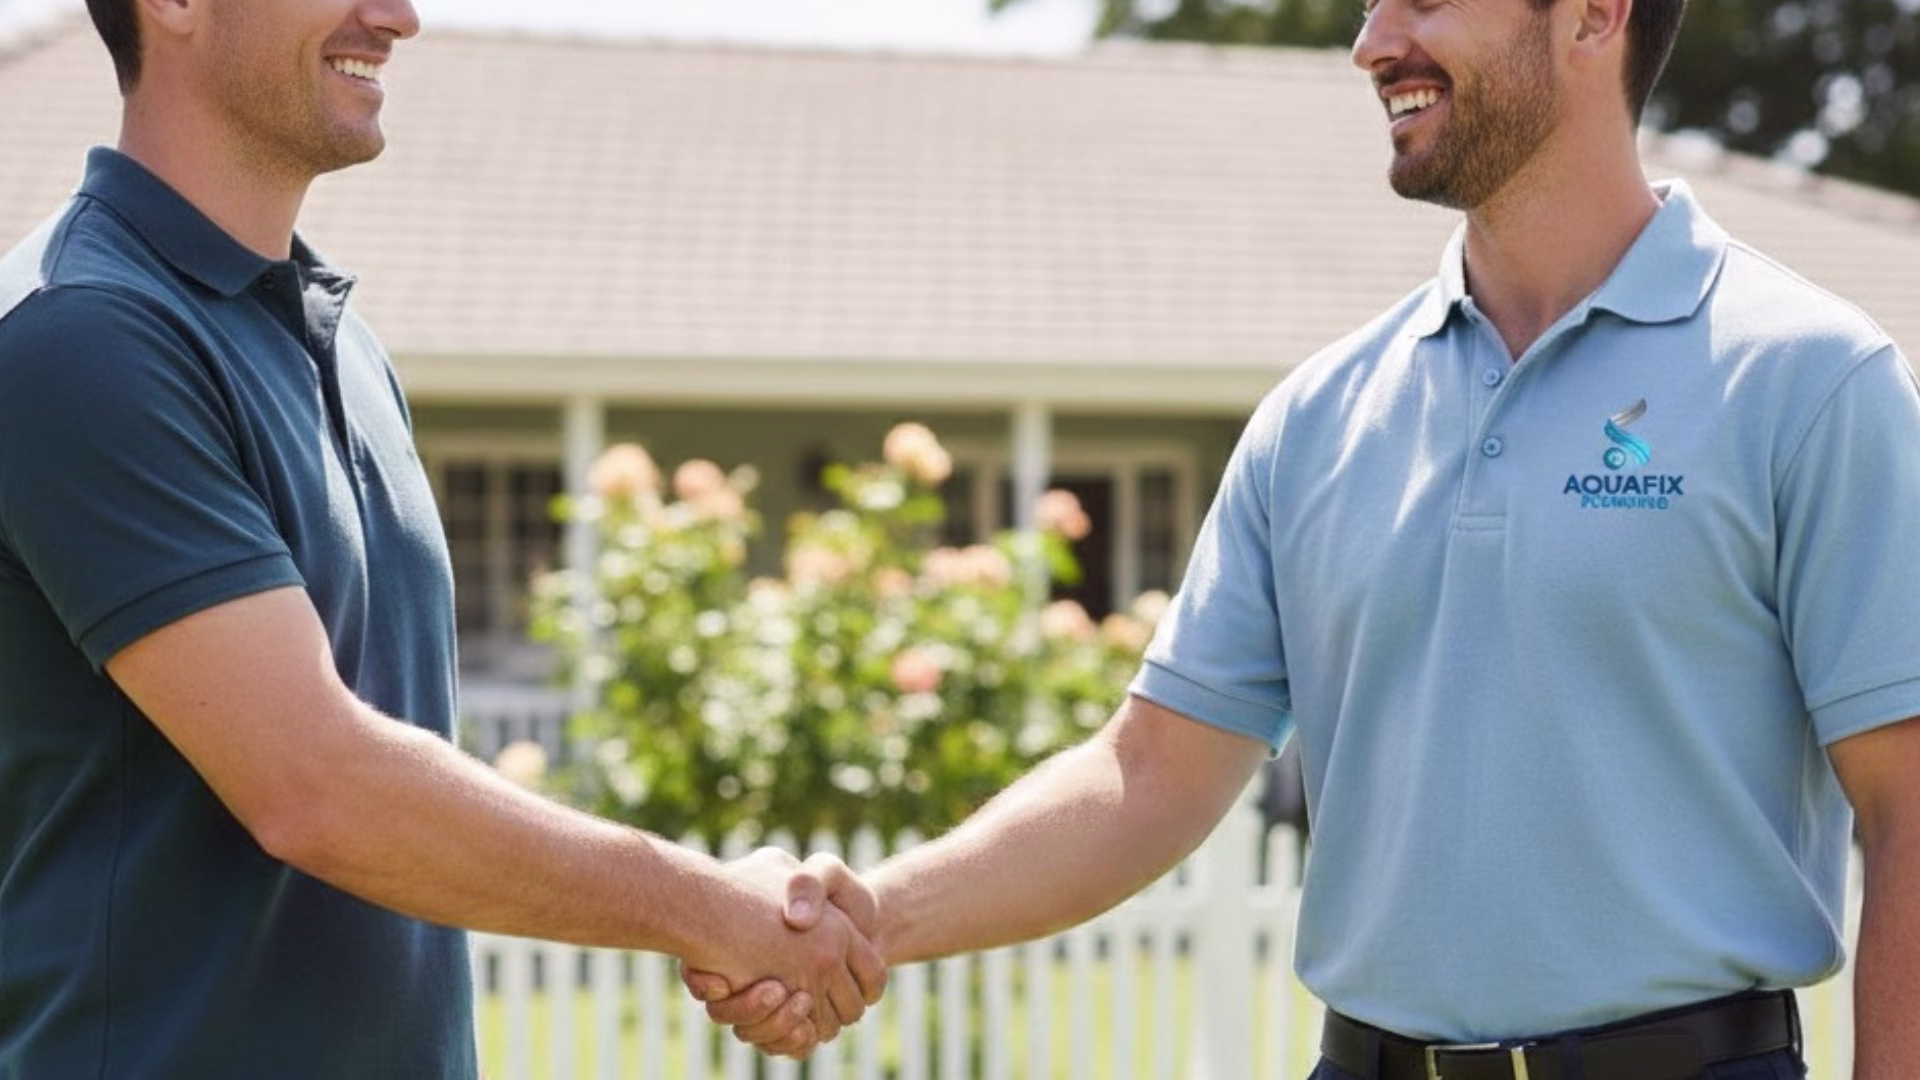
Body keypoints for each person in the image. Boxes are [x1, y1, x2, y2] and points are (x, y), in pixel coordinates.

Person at [686, 0, 1920, 1075]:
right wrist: (872, 916)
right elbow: (1150, 773)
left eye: (1426, 0)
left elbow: (1907, 810)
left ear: (1594, 15)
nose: (1373, 43)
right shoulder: (1320, 416)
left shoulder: (1808, 381)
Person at [0, 0, 881, 1074]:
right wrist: (712, 909)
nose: (400, 15)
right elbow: (314, 785)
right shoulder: (82, 336)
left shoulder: (345, 349)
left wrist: (738, 918)